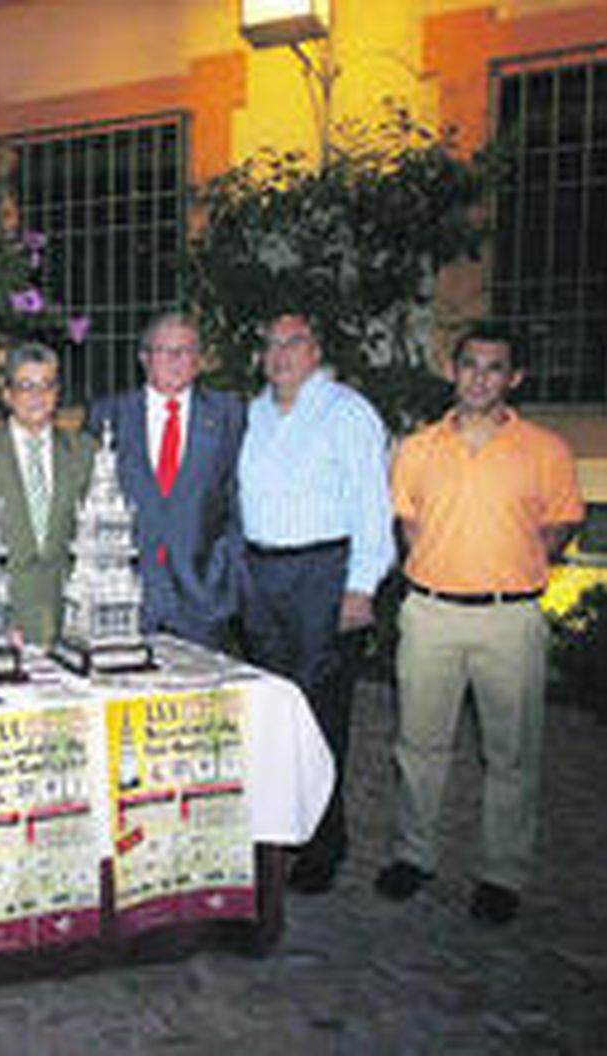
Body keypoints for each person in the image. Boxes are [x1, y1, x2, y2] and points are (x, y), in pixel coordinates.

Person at [376, 326, 582, 924]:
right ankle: (414, 856)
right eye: (470, 365)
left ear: (514, 378)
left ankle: (502, 873)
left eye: (494, 368)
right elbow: (408, 525)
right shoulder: (417, 449)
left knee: (511, 755)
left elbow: (561, 524)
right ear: (453, 370)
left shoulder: (545, 449)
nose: (480, 377)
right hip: (431, 614)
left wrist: (511, 563)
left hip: (508, 618)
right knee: (418, 746)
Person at [237, 312, 394, 894]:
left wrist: (361, 587)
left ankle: (325, 846)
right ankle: (280, 837)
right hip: (261, 578)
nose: (280, 354)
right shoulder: (252, 414)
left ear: (316, 349)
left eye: (293, 343)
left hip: (322, 576)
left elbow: (373, 508)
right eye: (271, 344)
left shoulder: (347, 413)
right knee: (274, 718)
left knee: (321, 716)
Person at [86, 313, 245, 648]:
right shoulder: (109, 414)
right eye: (163, 350)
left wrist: (226, 573)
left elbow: (238, 499)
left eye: (185, 351)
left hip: (201, 598)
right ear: (144, 358)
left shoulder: (228, 415)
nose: (175, 360)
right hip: (126, 594)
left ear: (198, 361)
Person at [0, 343, 93, 647]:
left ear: (57, 393)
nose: (37, 397)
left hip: (68, 620)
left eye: (47, 386)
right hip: (2, 621)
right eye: (26, 386)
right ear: (7, 394)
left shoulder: (84, 451)